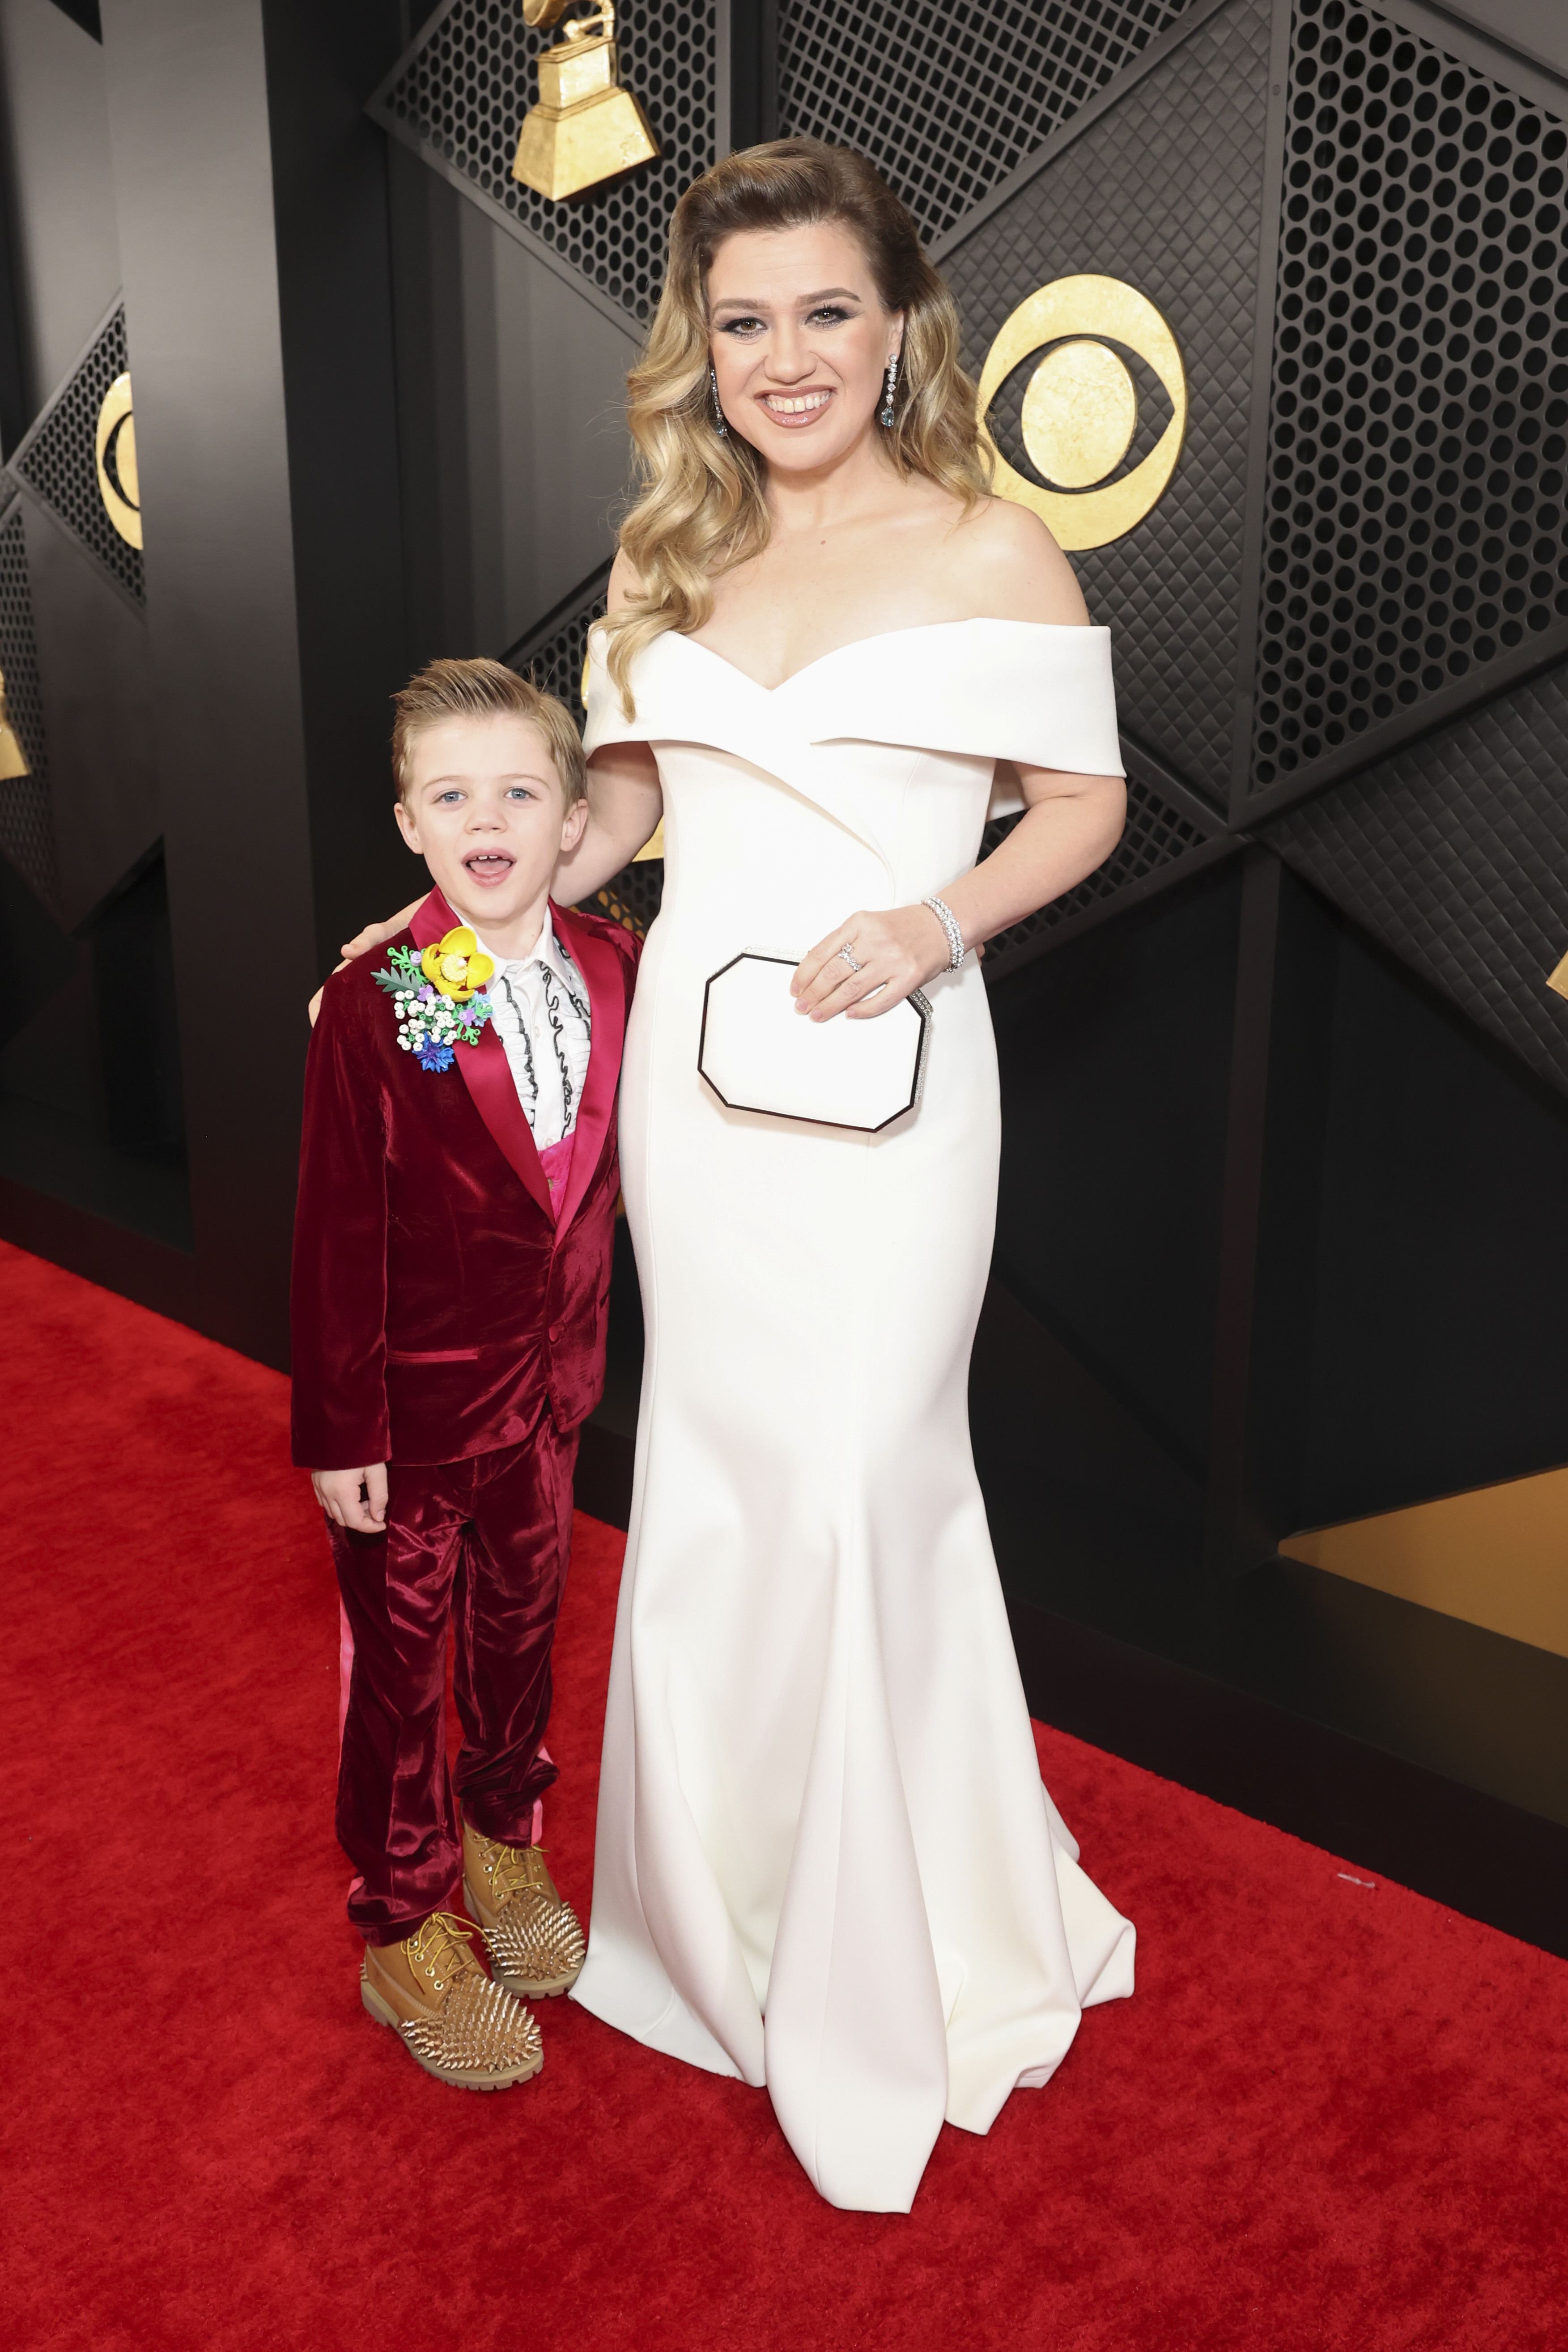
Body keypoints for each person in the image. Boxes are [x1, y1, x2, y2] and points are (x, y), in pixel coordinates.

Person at [338, 137, 1135, 2208]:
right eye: (745, 319)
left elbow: (1084, 802)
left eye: (827, 313)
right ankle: (716, 1927)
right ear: (702, 343)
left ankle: (895, 1938)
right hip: (695, 1093)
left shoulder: (991, 545)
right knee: (714, 1471)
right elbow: (607, 822)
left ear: (897, 327)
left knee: (867, 1475)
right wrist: (440, 937)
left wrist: (937, 926)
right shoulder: (665, 554)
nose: (787, 358)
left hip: (890, 1079)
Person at [292, 658, 638, 2091]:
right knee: (401, 1677)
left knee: (520, 1634)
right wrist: (341, 1427)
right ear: (407, 823)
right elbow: (334, 1233)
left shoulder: (617, 962)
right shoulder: (377, 1000)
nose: (485, 817)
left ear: (573, 817)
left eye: (517, 789)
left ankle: (503, 1841)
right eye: (451, 794)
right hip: (414, 1424)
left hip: (552, 1400)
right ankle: (401, 1921)